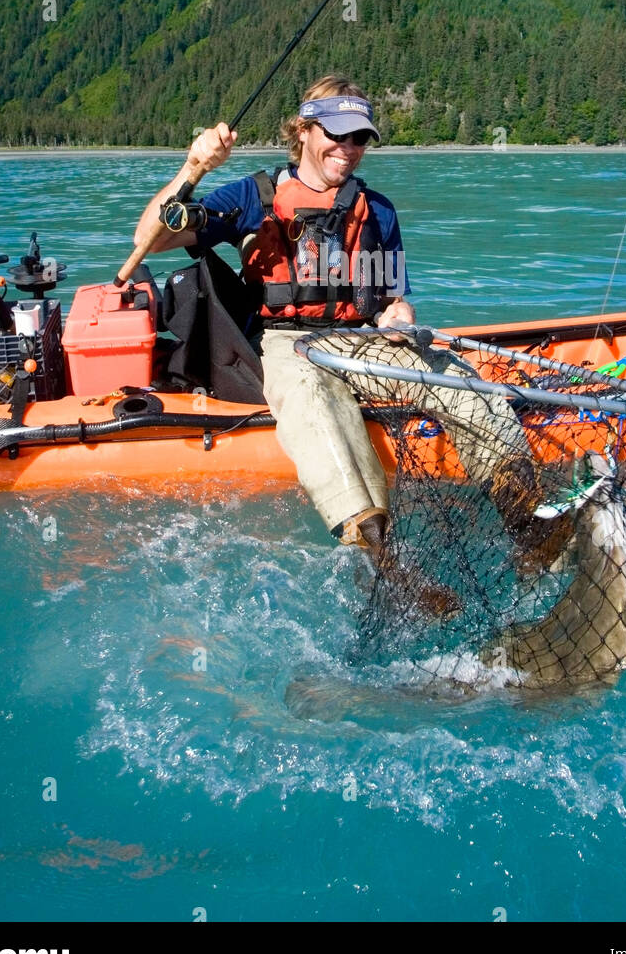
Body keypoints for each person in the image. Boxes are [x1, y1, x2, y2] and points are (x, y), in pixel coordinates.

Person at [135, 75, 562, 610]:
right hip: (286, 342)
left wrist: (399, 312)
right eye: (337, 135)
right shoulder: (252, 196)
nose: (349, 148)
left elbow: (389, 297)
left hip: (358, 337)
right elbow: (149, 236)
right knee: (314, 406)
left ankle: (527, 526)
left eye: (359, 137)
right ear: (305, 130)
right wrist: (194, 168)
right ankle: (387, 563)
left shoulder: (377, 210)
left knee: (453, 377)